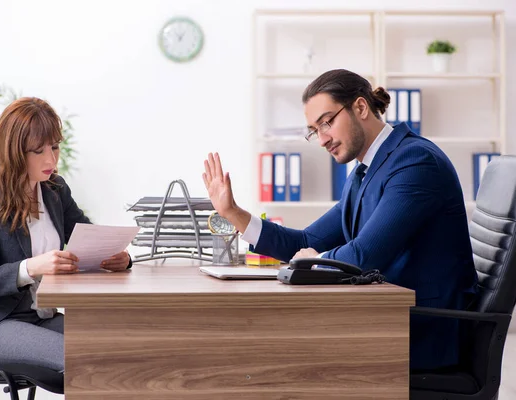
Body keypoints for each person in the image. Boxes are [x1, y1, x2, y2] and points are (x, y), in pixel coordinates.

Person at [203, 69, 478, 371]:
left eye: (327, 123)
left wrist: (313, 261)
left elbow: (363, 255)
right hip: (389, 317)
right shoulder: (364, 171)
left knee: (281, 354)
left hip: (426, 331)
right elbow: (305, 242)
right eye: (314, 130)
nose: (322, 140)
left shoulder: (414, 162)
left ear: (360, 108)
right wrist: (233, 213)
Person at [0, 97, 132, 372]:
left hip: (38, 317)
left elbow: (89, 237)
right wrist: (31, 268)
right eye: (38, 151)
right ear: (14, 151)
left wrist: (118, 258)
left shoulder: (54, 189)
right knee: (84, 359)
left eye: (55, 147)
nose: (51, 159)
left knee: (121, 348)